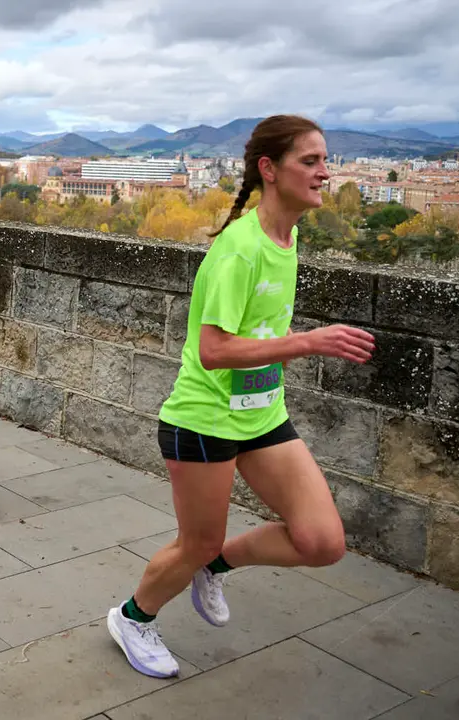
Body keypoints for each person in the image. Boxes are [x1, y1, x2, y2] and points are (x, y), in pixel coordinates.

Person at [106, 115, 376, 678]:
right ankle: (133, 618)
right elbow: (213, 350)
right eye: (310, 161)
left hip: (262, 415)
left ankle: (217, 565)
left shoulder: (288, 236)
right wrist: (308, 342)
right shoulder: (240, 249)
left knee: (322, 542)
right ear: (269, 169)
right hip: (204, 421)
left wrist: (289, 343)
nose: (325, 173)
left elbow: (257, 331)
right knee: (196, 542)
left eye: (326, 161)